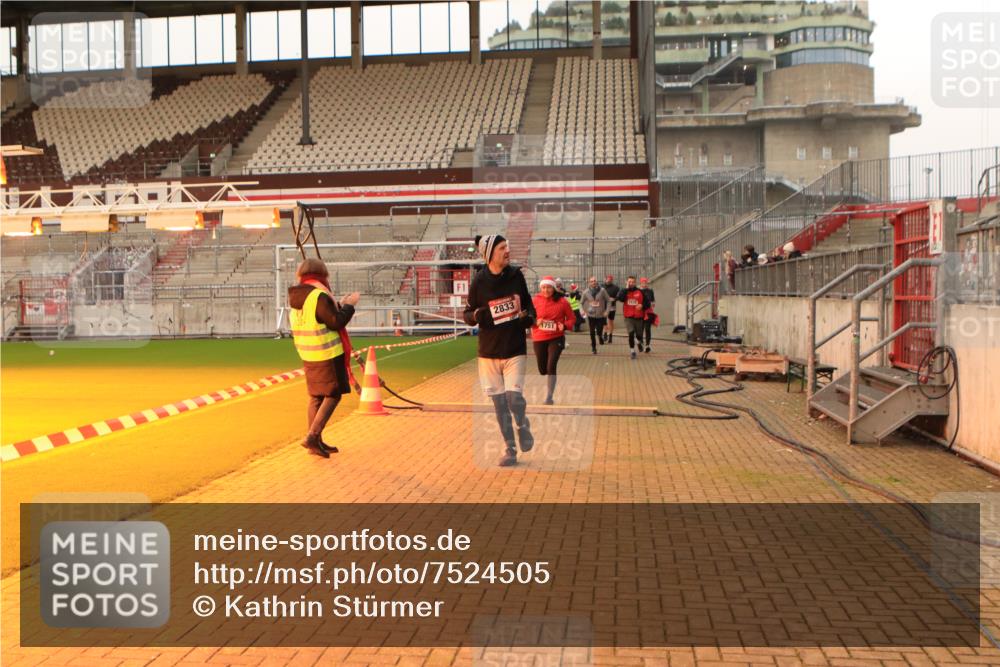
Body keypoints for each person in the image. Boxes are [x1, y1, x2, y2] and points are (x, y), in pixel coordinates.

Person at [463, 234, 536, 467]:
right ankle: (510, 449)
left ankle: (523, 424)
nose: (507, 251)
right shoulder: (478, 282)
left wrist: (529, 318)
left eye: (507, 246)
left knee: (514, 398)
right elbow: (467, 315)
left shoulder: (516, 276)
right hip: (488, 352)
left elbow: (528, 306)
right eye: (503, 247)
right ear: (490, 253)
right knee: (499, 404)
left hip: (514, 347)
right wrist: (477, 315)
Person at [287, 258, 359, 459]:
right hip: (327, 354)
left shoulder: (298, 297)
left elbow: (320, 318)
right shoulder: (318, 295)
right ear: (322, 274)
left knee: (316, 397)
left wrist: (338, 304)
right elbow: (336, 321)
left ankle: (315, 443)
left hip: (309, 354)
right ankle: (312, 436)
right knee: (333, 394)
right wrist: (350, 306)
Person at [531, 276, 577, 405]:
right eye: (544, 288)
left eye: (549, 287)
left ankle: (549, 396)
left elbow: (572, 318)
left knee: (551, 366)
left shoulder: (562, 301)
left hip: (556, 338)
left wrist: (565, 325)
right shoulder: (535, 301)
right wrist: (535, 321)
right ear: (540, 288)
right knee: (542, 370)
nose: (546, 290)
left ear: (553, 288)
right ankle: (547, 377)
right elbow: (529, 318)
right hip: (539, 337)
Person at [616, 276, 650, 360]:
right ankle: (632, 351)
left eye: (632, 282)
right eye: (629, 282)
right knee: (631, 333)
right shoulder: (624, 291)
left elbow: (647, 303)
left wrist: (642, 306)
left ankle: (638, 342)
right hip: (628, 317)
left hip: (639, 317)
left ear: (635, 282)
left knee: (639, 335)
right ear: (627, 282)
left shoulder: (640, 292)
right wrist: (626, 289)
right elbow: (620, 298)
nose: (631, 283)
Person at [579, 276, 611, 354]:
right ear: (589, 283)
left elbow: (609, 301)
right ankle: (594, 347)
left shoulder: (602, 290)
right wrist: (582, 311)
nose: (593, 282)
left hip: (600, 315)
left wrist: (607, 311)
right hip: (591, 315)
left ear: (596, 282)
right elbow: (580, 303)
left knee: (599, 331)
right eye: (591, 281)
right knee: (592, 332)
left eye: (594, 281)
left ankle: (600, 337)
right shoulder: (586, 292)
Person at [639, 277, 656, 353]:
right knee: (640, 329)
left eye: (646, 283)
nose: (644, 284)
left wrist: (652, 307)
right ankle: (641, 343)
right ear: (641, 283)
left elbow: (653, 301)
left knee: (647, 329)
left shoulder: (650, 291)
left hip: (648, 313)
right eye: (643, 283)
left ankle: (647, 345)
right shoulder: (638, 291)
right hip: (640, 313)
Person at [602, 275, 621, 343]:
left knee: (610, 321)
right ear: (605, 279)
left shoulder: (616, 288)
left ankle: (610, 335)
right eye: (607, 279)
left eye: (610, 279)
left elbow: (619, 296)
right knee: (604, 321)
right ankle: (605, 334)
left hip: (612, 307)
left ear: (612, 280)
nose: (609, 280)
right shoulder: (601, 287)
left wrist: (614, 299)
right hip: (603, 307)